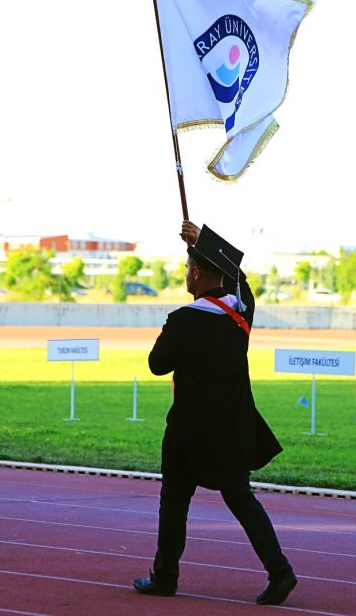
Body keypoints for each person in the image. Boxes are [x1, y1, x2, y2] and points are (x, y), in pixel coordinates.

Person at [133, 220, 297, 606]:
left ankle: (165, 576)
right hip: (234, 428)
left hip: (190, 432)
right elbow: (240, 278)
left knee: (174, 501)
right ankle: (280, 572)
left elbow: (157, 364)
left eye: (188, 268)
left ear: (195, 272)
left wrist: (202, 245)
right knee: (241, 499)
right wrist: (203, 242)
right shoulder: (242, 313)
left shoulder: (184, 319)